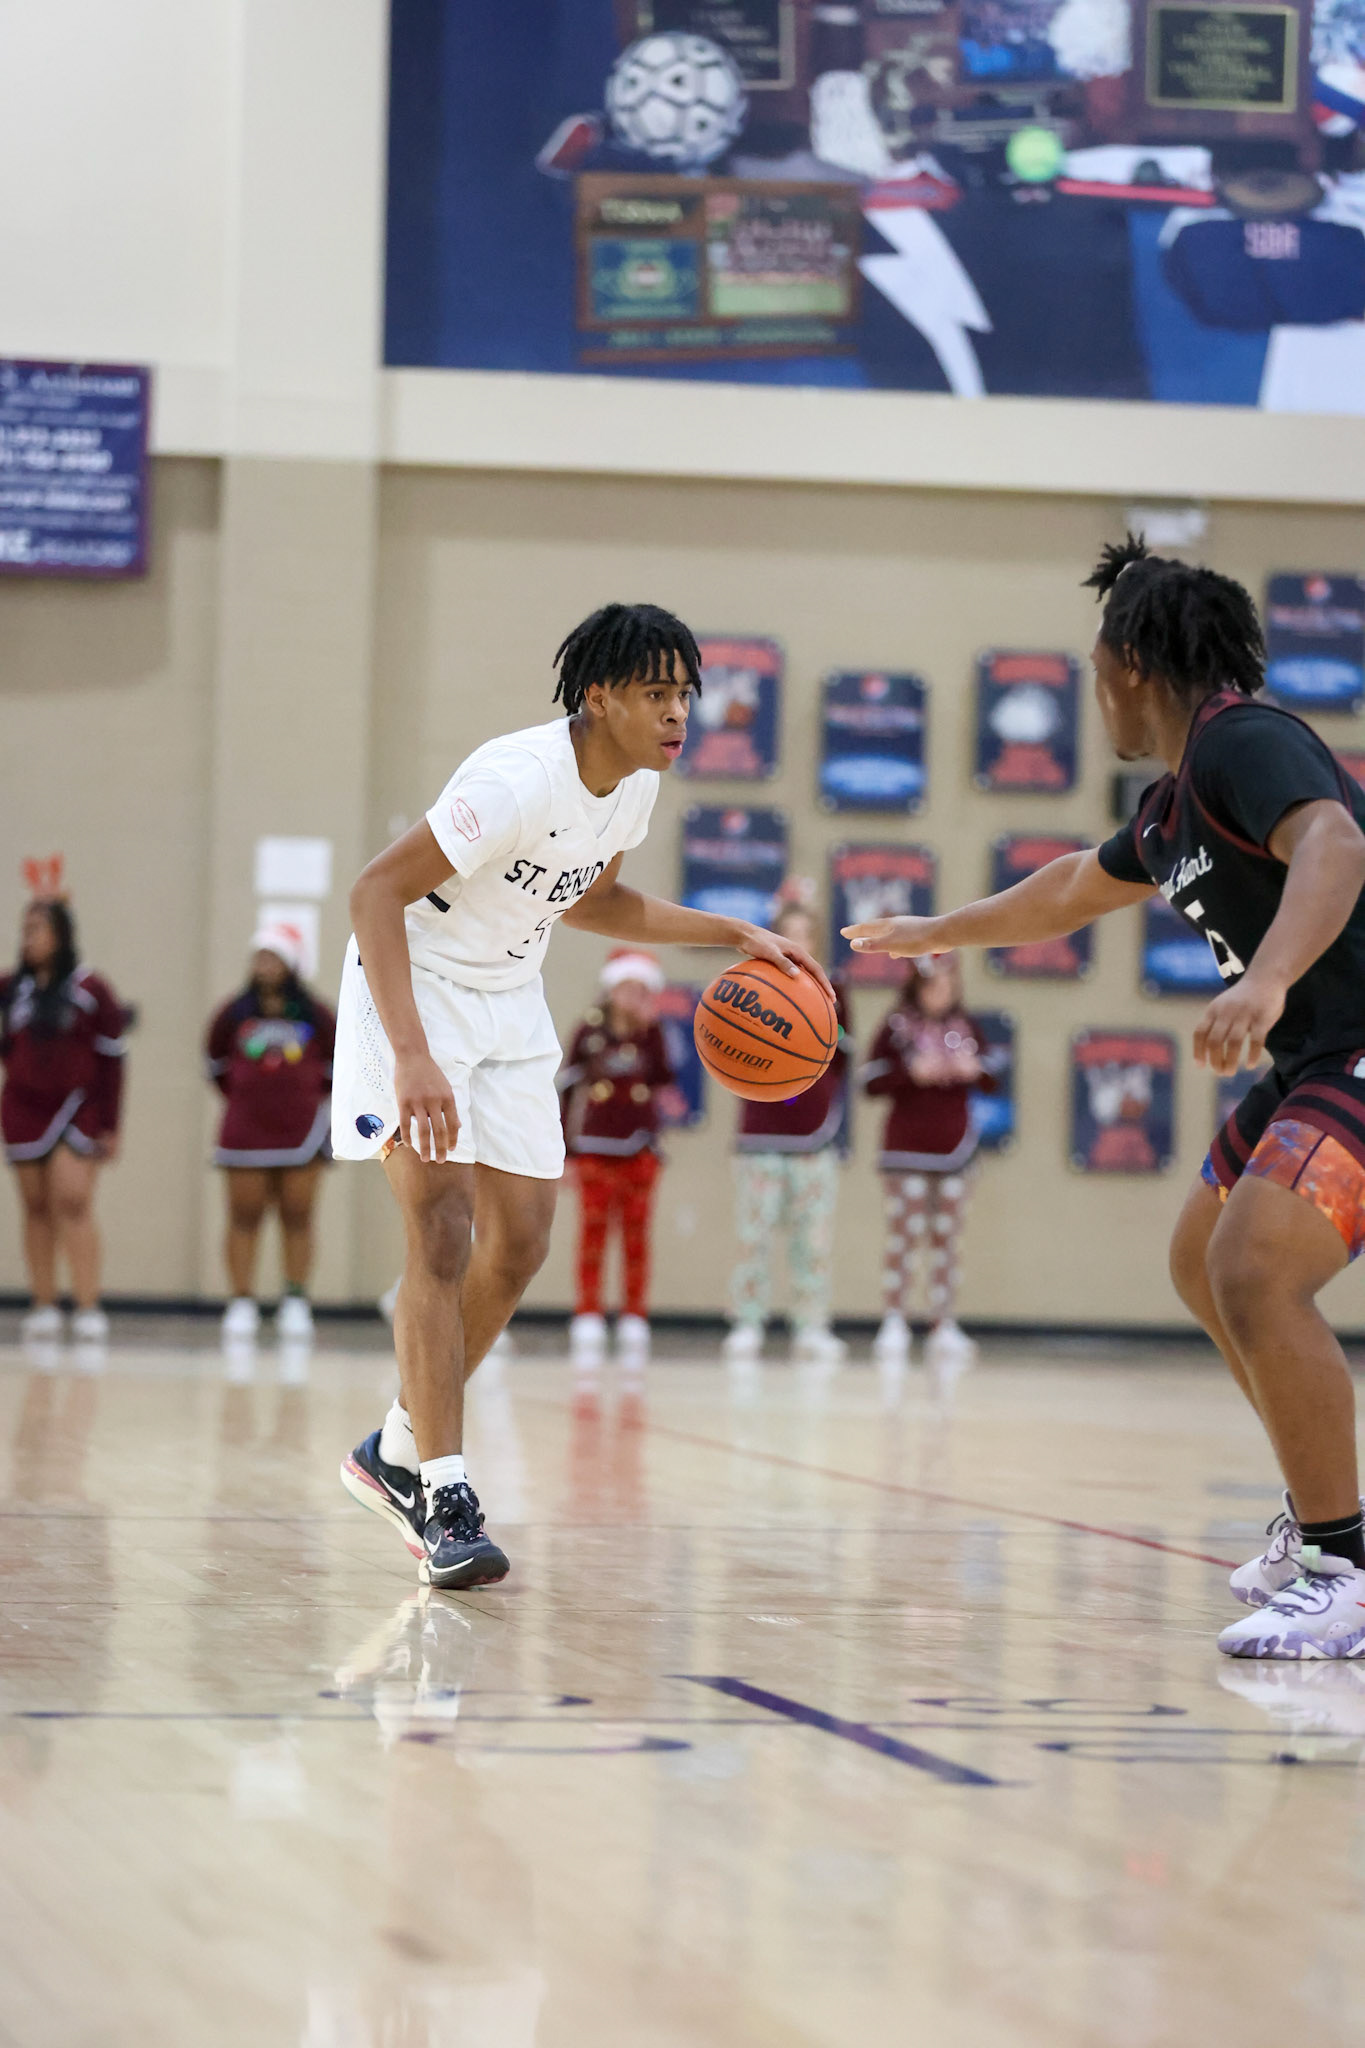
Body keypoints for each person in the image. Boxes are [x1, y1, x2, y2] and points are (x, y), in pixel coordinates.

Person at [845, 534, 1365, 1662]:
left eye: (1091, 667)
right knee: (1201, 1259)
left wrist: (1268, 977)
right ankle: (1320, 1514)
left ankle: (1345, 1566)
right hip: (1316, 1053)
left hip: (1354, 1041)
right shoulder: (1174, 804)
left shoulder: (1246, 738)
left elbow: (1334, 838)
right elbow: (1070, 890)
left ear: (1130, 662)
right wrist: (941, 928)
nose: (1090, 691)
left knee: (1255, 1268)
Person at [332, 602, 830, 1591]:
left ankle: (392, 1443)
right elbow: (374, 893)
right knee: (441, 1231)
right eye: (658, 693)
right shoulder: (514, 780)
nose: (679, 712)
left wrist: (728, 931)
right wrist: (413, 1052)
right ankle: (444, 1492)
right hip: (416, 991)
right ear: (598, 696)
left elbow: (591, 899)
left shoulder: (634, 785)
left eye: (686, 692)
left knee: (519, 1245)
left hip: (509, 997)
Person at [723, 890, 851, 1366]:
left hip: (814, 1133)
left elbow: (843, 1061)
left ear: (816, 941)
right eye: (787, 934)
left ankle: (811, 1326)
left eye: (805, 936)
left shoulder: (833, 990)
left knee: (812, 1240)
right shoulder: (750, 983)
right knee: (752, 1237)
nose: (797, 943)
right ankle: (747, 1324)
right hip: (759, 1132)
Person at [1, 896, 126, 1343]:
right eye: (25, 928)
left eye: (39, 927)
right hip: (22, 1108)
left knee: (72, 1202)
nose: (28, 937)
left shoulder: (92, 990)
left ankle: (89, 1304)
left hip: (78, 1109)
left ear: (62, 935)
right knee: (34, 1207)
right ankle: (43, 1302)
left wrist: (110, 1124)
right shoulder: (12, 989)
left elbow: (112, 1061)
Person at [205, 923, 336, 1343]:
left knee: (298, 1215)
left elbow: (338, 1065)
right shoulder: (234, 1013)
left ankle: (295, 1300)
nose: (264, 964)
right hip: (246, 1132)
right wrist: (248, 1094)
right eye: (259, 956)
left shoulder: (316, 1015)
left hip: (301, 1131)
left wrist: (304, 1095)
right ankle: (241, 1300)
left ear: (292, 963)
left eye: (273, 956)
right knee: (243, 1216)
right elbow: (215, 1063)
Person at [861, 951, 985, 1369]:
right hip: (906, 1150)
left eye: (948, 984)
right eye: (932, 985)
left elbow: (993, 1074)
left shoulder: (966, 1026)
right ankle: (894, 1319)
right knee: (903, 1236)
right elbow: (869, 1080)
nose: (941, 993)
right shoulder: (896, 1027)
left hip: (953, 1150)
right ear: (916, 985)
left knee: (947, 1240)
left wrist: (973, 1070)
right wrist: (910, 1075)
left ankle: (943, 1323)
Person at [559, 948, 675, 1372]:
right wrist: (566, 1152)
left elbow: (666, 1078)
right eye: (627, 987)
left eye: (642, 989)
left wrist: (649, 1029)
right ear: (611, 988)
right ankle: (588, 1312)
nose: (633, 995)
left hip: (641, 1146)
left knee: (636, 1235)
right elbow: (568, 1091)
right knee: (592, 1233)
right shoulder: (589, 1033)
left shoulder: (654, 1034)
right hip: (595, 1146)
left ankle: (634, 1315)